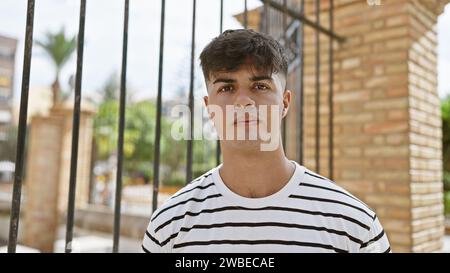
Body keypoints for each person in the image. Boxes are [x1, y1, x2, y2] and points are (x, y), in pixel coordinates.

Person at [142, 29, 391, 253]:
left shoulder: (355, 227)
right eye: (226, 89)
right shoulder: (169, 226)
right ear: (209, 107)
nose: (243, 101)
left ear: (284, 102)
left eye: (259, 86)